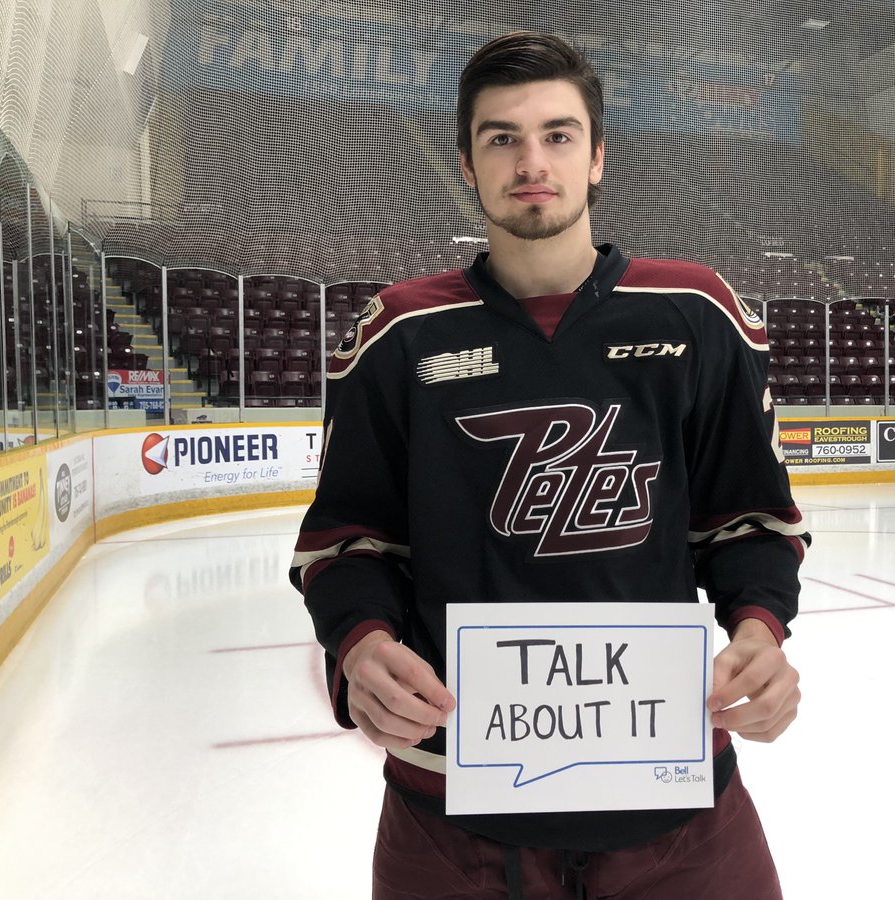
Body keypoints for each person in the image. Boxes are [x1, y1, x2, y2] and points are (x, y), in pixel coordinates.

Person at [290, 30, 811, 900]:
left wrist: (760, 635)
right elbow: (347, 540)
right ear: (467, 161)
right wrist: (361, 643)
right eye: (503, 138)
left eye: (558, 135)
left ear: (599, 155)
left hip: (673, 798)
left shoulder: (696, 312)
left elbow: (748, 521)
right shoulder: (399, 331)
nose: (532, 161)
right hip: (448, 804)